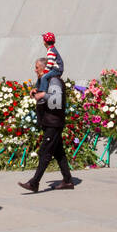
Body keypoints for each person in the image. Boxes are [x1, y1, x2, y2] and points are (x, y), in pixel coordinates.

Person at [18, 58, 74, 192]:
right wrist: (36, 93)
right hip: (49, 122)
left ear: (44, 68)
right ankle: (68, 181)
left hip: (53, 123)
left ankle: (34, 183)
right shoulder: (46, 81)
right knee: (58, 152)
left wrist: (43, 94)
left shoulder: (54, 80)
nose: (35, 70)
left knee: (45, 152)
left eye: (37, 67)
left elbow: (57, 100)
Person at [36, 31, 63, 98]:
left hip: (56, 69)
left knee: (44, 77)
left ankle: (43, 93)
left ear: (45, 42)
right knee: (44, 76)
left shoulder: (51, 51)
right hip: (56, 69)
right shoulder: (51, 49)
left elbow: (50, 63)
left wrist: (45, 72)